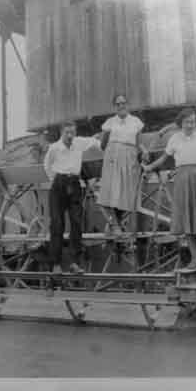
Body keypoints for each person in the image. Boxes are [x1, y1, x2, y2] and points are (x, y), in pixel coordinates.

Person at [143, 108, 196, 275]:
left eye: (192, 122)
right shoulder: (174, 138)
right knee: (187, 222)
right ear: (181, 123)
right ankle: (194, 258)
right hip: (183, 180)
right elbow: (164, 158)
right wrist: (149, 167)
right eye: (187, 122)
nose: (190, 125)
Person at [44, 121, 101, 274]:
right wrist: (56, 180)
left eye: (72, 133)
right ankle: (56, 264)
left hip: (75, 184)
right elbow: (47, 166)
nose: (70, 136)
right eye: (67, 133)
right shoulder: (54, 148)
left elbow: (96, 141)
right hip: (59, 185)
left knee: (76, 223)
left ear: (75, 133)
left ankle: (74, 263)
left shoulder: (79, 142)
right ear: (61, 133)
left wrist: (105, 135)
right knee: (57, 224)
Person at [98, 94, 149, 234]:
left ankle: (117, 224)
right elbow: (103, 145)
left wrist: (144, 151)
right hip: (113, 158)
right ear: (114, 107)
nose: (121, 106)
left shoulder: (136, 122)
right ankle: (115, 225)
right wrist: (114, 149)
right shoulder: (110, 122)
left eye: (123, 103)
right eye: (118, 104)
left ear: (128, 104)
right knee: (112, 192)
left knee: (125, 194)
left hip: (130, 158)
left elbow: (138, 143)